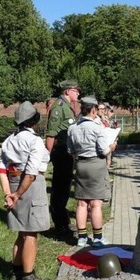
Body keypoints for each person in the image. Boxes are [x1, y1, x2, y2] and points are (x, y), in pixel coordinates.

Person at [0, 102, 50, 280]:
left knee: (21, 231)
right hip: (30, 187)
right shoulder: (34, 141)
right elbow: (31, 172)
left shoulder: (9, 140)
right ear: (34, 120)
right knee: (30, 234)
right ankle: (28, 276)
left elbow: (2, 169)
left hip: (12, 182)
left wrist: (8, 193)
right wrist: (18, 194)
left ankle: (17, 270)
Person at [67, 97, 118, 248]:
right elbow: (103, 150)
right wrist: (112, 147)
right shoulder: (98, 128)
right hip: (96, 164)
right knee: (96, 203)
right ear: (94, 110)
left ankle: (81, 237)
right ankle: (97, 237)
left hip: (81, 164)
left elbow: (70, 150)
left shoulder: (72, 128)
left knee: (82, 203)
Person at [45, 79, 80, 239]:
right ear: (67, 91)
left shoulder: (67, 106)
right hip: (60, 152)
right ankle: (59, 224)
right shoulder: (58, 107)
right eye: (76, 90)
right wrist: (47, 156)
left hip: (67, 153)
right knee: (59, 189)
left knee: (65, 188)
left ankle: (63, 220)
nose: (78, 93)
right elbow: (51, 134)